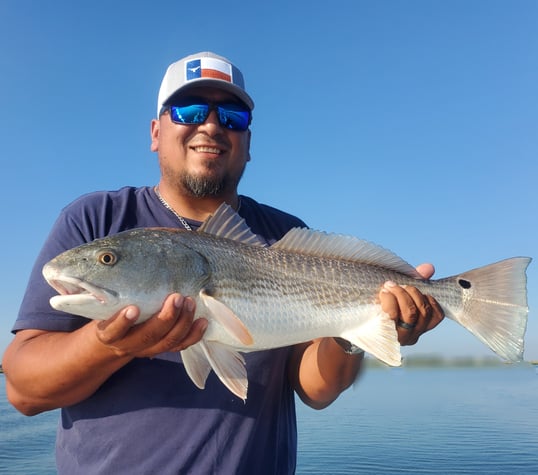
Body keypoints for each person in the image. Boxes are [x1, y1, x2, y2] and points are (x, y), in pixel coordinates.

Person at [2, 52, 444, 474]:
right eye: (190, 111)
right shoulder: (97, 218)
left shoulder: (286, 238)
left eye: (232, 118)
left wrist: (358, 333)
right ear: (156, 132)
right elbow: (24, 391)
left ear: (247, 144)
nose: (211, 126)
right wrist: (112, 344)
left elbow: (316, 388)